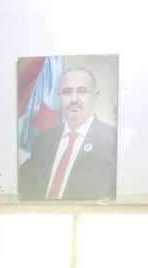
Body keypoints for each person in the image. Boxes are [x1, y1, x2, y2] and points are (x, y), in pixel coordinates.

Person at [17, 66, 117, 201]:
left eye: (82, 91)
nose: (74, 99)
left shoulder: (112, 141)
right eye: (67, 92)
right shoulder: (43, 140)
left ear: (95, 96)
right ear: (59, 96)